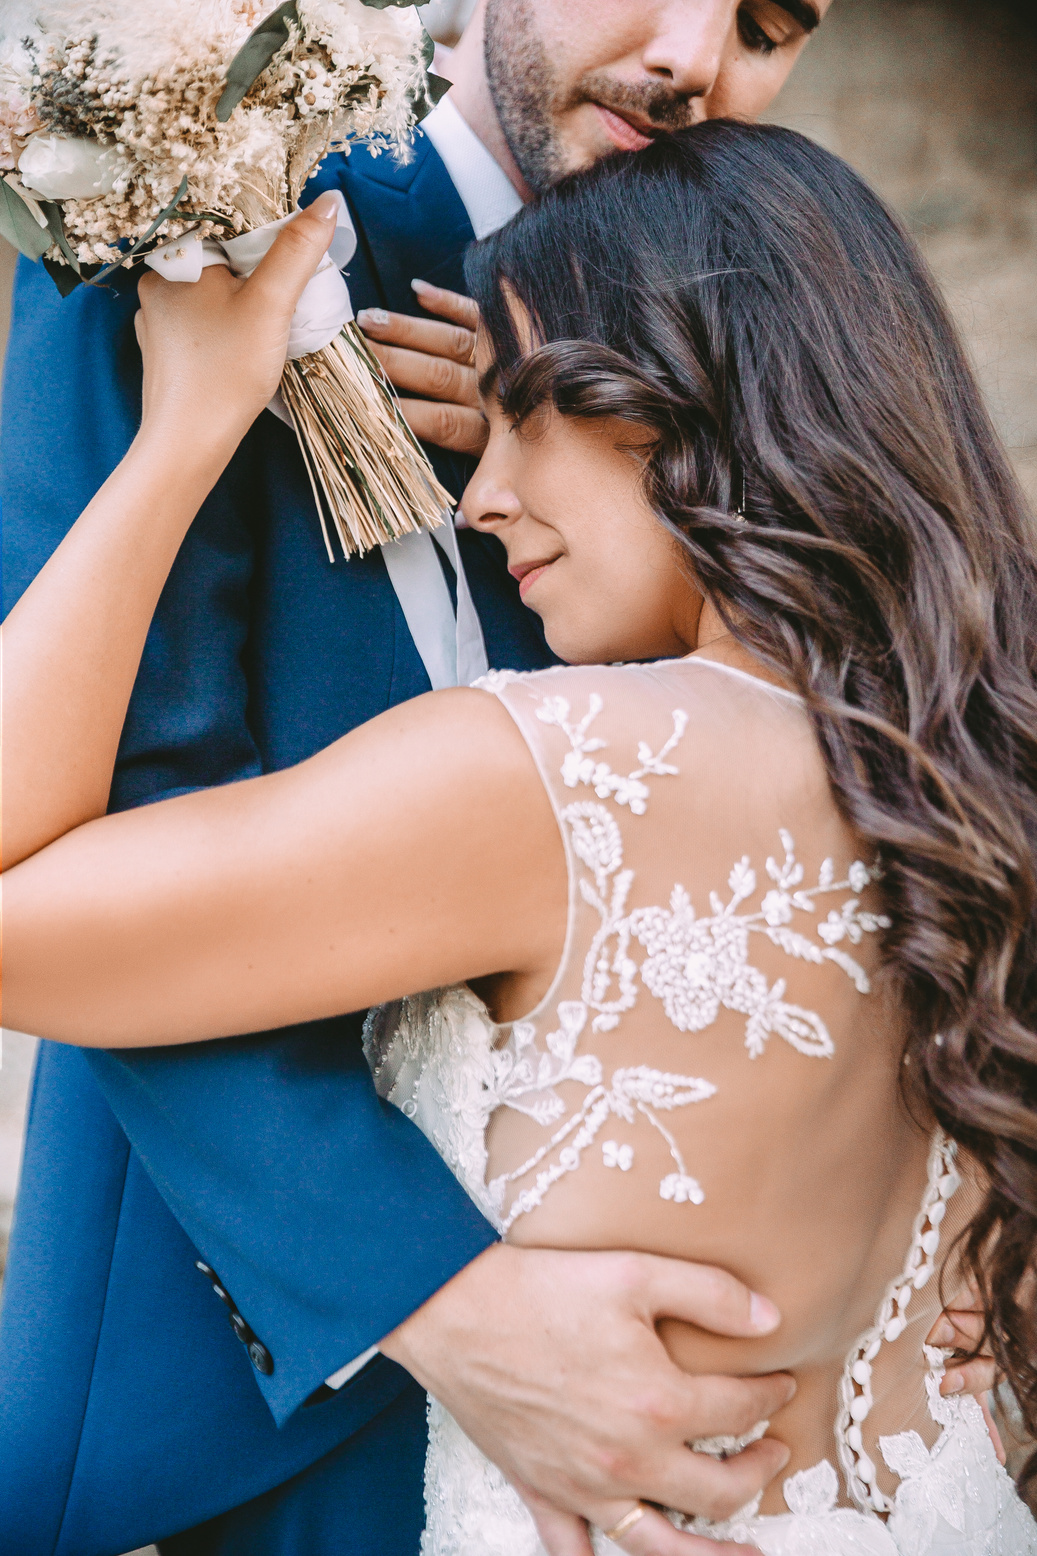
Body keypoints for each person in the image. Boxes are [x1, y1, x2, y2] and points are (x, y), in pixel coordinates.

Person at [5, 120, 1037, 1556]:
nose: (480, 496)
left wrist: (184, 433)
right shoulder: (983, 792)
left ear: (685, 399)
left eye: (521, 412)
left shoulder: (559, 775)